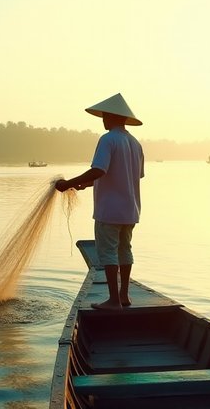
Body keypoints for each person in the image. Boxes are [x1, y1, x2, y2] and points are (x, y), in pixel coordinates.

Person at [55, 93, 144, 310]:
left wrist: (68, 183)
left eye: (104, 116)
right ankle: (124, 296)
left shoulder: (108, 140)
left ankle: (113, 300)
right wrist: (88, 184)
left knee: (108, 252)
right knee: (125, 249)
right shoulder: (135, 143)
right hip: (130, 210)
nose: (103, 120)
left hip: (109, 210)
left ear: (112, 117)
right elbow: (127, 176)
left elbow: (99, 170)